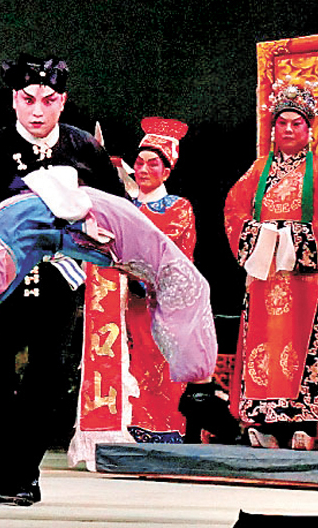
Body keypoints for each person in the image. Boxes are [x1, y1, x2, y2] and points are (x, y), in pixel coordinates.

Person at [0, 170, 217, 505]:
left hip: (83, 225)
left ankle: (199, 380)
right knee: (172, 280)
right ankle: (198, 380)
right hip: (73, 225)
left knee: (183, 283)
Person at [0, 54, 124, 502]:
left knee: (49, 375)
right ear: (14, 101)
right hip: (6, 278)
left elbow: (116, 207)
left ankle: (22, 474)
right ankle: (5, 470)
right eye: (28, 99)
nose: (38, 110)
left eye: (49, 100)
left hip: (60, 277)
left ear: (63, 101)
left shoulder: (83, 147)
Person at [224, 77, 318, 451]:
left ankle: (304, 424)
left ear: (309, 129)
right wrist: (260, 236)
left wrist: (292, 237)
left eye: (297, 123)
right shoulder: (257, 171)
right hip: (266, 276)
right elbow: (233, 211)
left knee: (303, 348)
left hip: (306, 279)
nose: (289, 129)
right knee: (264, 348)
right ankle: (263, 422)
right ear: (273, 129)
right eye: (282, 123)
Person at [126, 117, 197, 443]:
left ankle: (164, 434)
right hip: (124, 305)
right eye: (139, 163)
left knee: (159, 367)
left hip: (160, 306)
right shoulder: (125, 206)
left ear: (167, 172)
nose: (143, 170)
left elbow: (173, 256)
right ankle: (125, 429)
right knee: (127, 365)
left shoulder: (179, 209)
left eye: (152, 164)